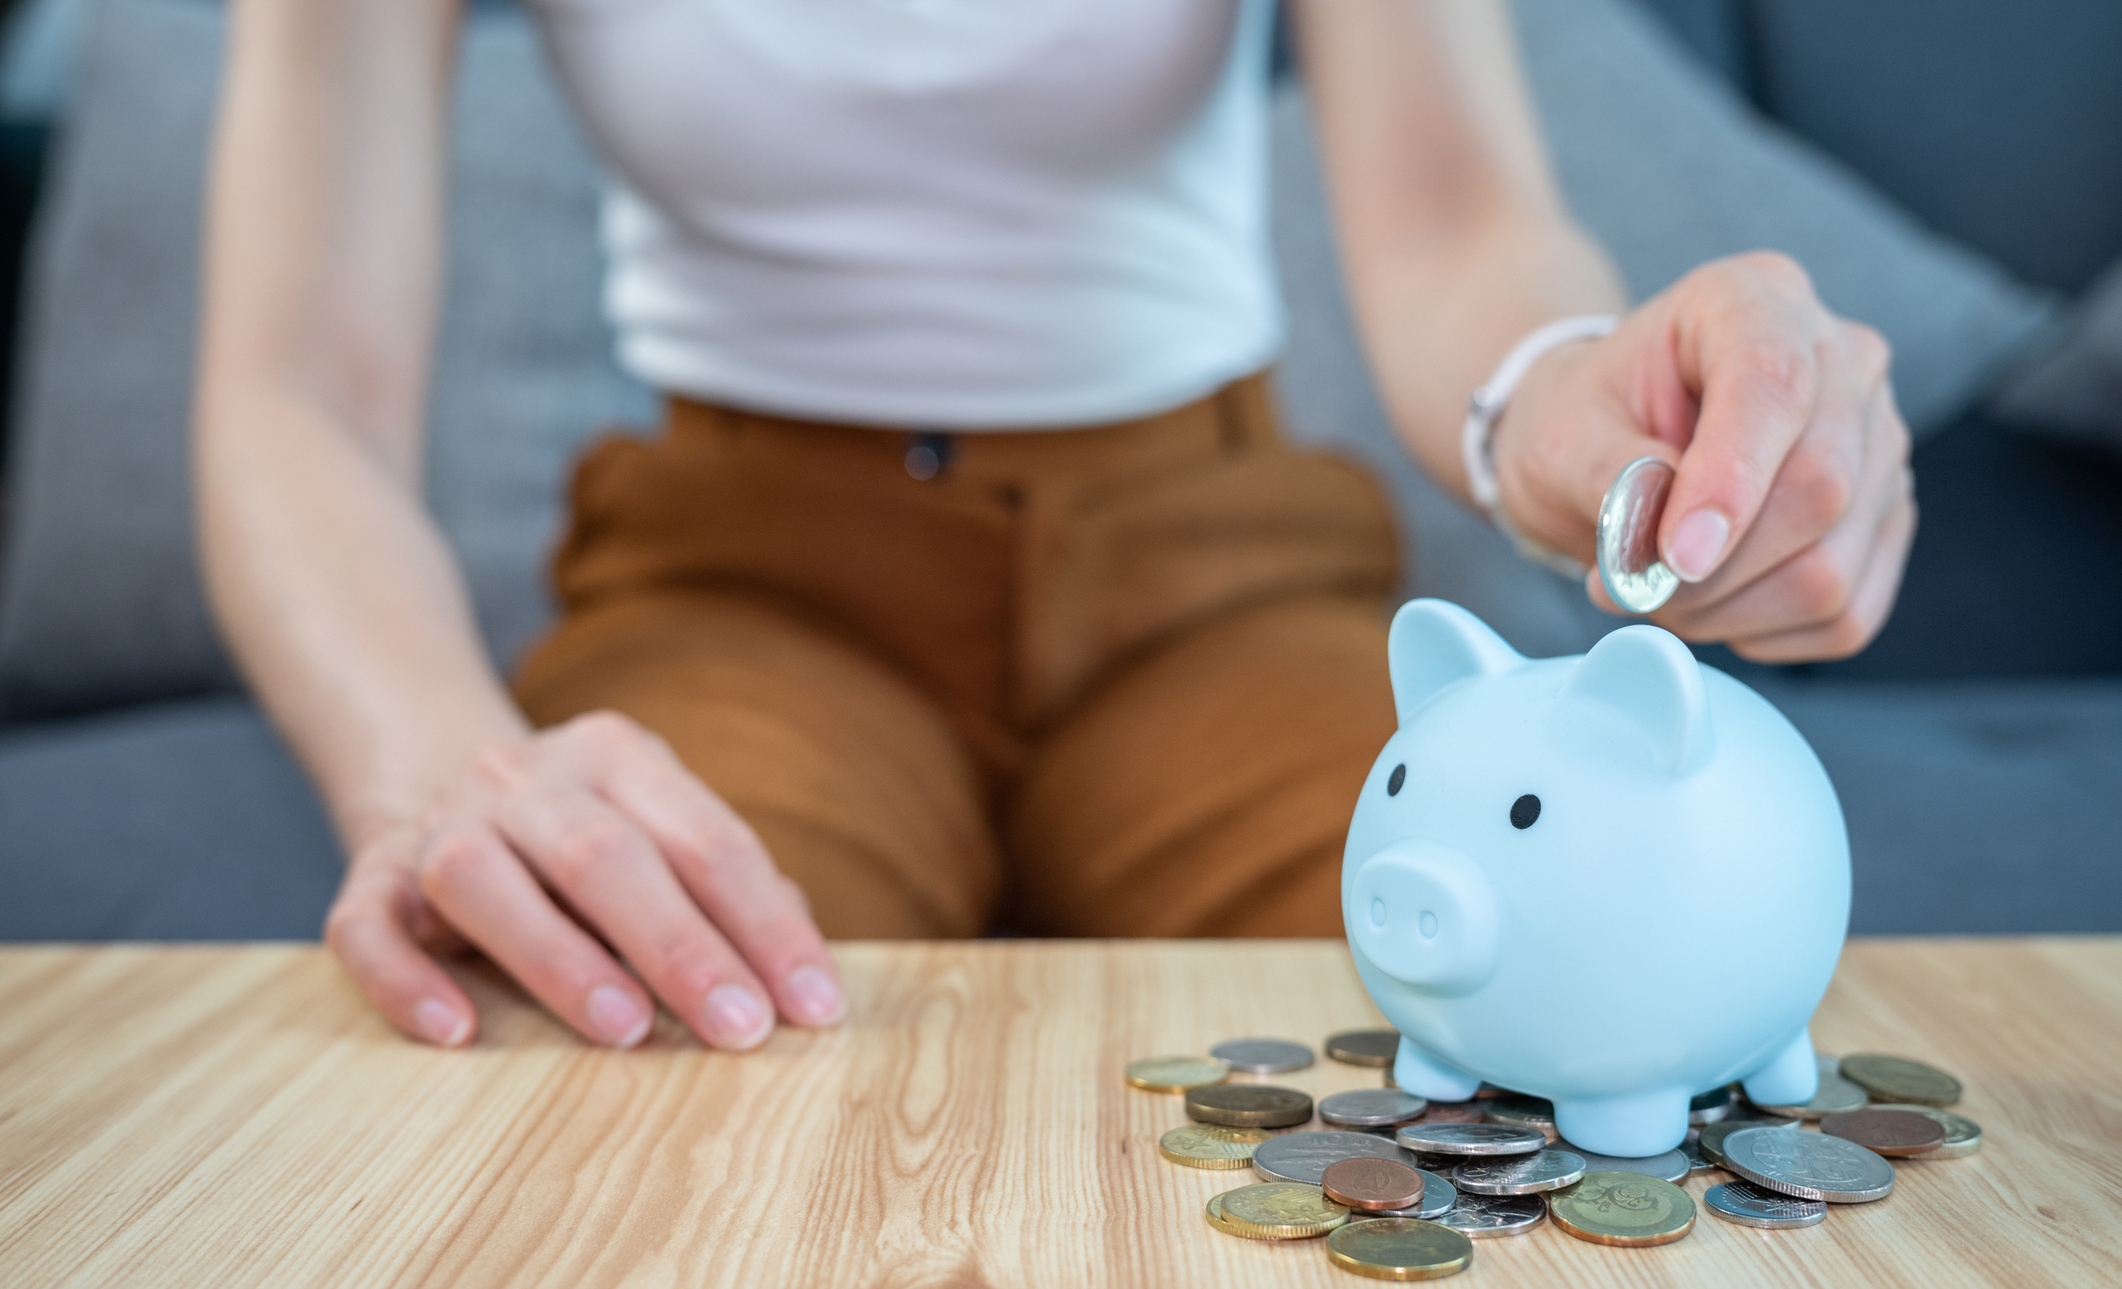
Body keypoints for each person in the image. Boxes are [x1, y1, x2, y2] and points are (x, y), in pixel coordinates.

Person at [193, 0, 1914, 1053]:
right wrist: (431, 778)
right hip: (743, 587)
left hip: (1213, 569)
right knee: (621, 1030)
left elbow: (1459, 221)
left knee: (1557, 992)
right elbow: (297, 387)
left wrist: (1573, 399)